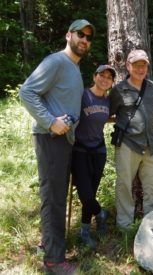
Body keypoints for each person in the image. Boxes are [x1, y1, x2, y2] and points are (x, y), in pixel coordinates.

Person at [19, 19, 95, 274]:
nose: (84, 39)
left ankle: (47, 242)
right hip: (50, 138)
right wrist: (51, 122)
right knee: (54, 198)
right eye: (80, 34)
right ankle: (53, 261)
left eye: (88, 37)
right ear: (68, 35)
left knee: (54, 195)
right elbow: (27, 92)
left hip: (64, 141)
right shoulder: (57, 62)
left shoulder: (73, 68)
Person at [109, 49, 153, 229]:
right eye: (136, 65)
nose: (140, 69)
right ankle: (124, 226)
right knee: (124, 186)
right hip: (128, 144)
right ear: (128, 66)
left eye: (143, 65)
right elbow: (107, 112)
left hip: (151, 145)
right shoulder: (118, 90)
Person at [71, 65, 116, 249]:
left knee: (92, 192)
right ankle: (100, 213)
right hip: (80, 150)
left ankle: (85, 231)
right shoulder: (82, 95)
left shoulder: (108, 100)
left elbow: (110, 116)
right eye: (102, 75)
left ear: (112, 82)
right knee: (86, 195)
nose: (105, 79)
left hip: (99, 150)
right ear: (94, 76)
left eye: (109, 77)